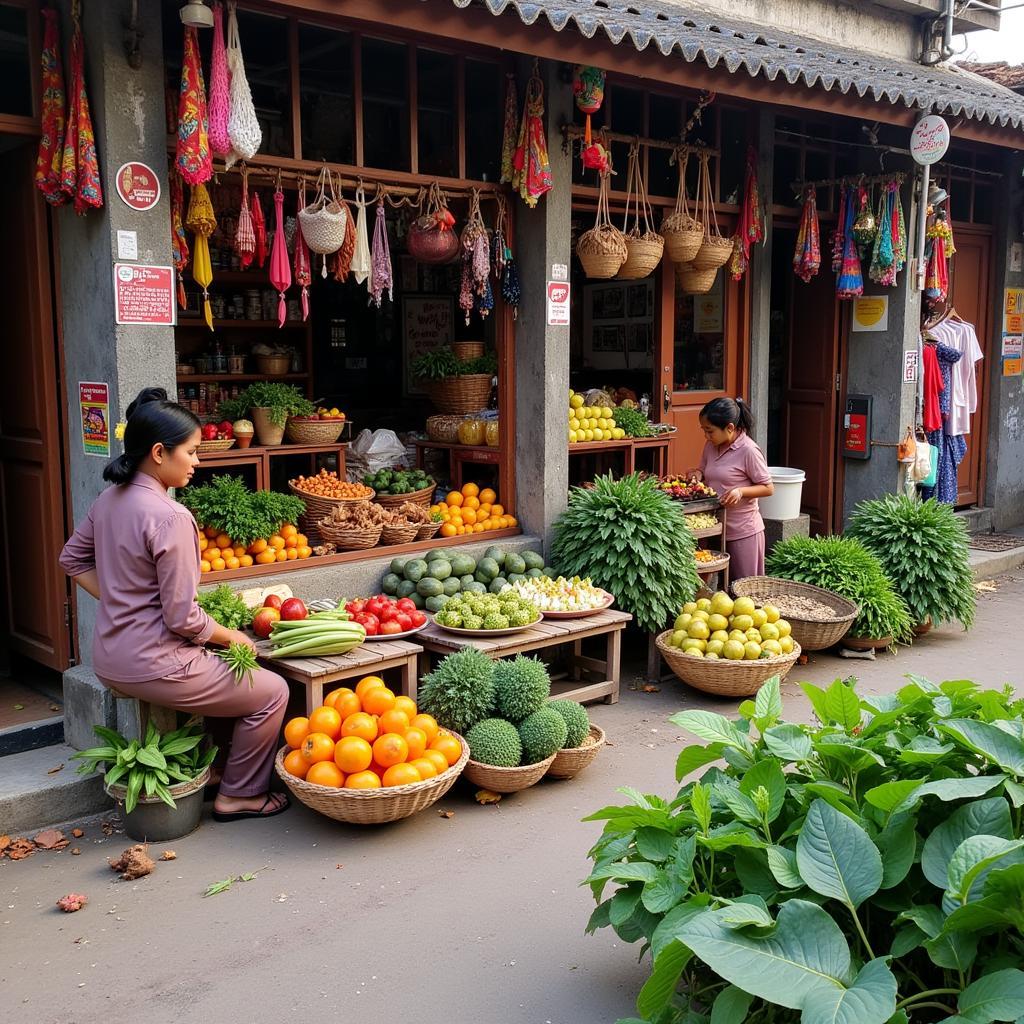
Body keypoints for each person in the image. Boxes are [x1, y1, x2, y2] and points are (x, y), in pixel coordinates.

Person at [59, 388, 290, 822]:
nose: (198, 461)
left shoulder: (109, 500)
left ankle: (219, 771)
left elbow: (71, 560)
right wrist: (235, 636)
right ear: (160, 452)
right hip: (154, 663)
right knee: (272, 692)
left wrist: (122, 600)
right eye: (192, 451)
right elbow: (184, 619)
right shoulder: (171, 517)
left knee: (232, 675)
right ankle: (240, 794)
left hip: (110, 656)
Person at [691, 397, 774, 582]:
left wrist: (741, 491)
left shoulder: (749, 450)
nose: (706, 436)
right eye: (704, 430)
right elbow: (703, 470)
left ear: (729, 428)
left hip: (743, 531)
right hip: (714, 528)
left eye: (710, 431)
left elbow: (768, 488)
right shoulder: (711, 446)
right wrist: (697, 475)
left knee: (744, 591)